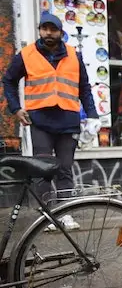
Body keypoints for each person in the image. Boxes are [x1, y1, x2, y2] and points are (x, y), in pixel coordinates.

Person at [2, 12, 100, 229]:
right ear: (40, 31)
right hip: (40, 122)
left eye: (52, 29)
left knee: (65, 168)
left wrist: (92, 115)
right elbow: (8, 81)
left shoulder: (74, 55)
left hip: (67, 121)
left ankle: (65, 214)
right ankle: (49, 216)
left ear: (60, 32)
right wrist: (16, 109)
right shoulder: (26, 55)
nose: (48, 33)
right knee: (43, 170)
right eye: (44, 29)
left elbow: (84, 87)